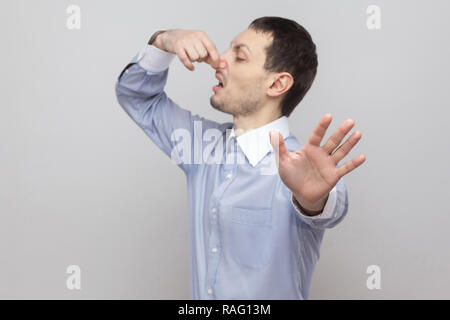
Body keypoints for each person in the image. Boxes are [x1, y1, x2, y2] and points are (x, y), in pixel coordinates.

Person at [114, 16, 366, 299]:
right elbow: (137, 97)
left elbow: (328, 205)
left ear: (277, 84)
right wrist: (164, 41)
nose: (219, 61)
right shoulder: (200, 148)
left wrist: (313, 201)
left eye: (239, 56)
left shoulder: (299, 170)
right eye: (227, 50)